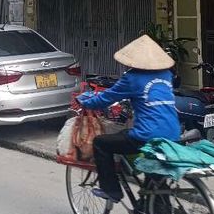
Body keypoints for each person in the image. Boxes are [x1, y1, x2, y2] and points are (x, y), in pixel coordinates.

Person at [76, 35, 180, 204]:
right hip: (173, 134)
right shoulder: (166, 74)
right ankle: (156, 208)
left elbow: (106, 98)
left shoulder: (132, 78)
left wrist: (85, 102)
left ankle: (111, 190)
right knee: (155, 172)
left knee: (101, 143)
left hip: (146, 136)